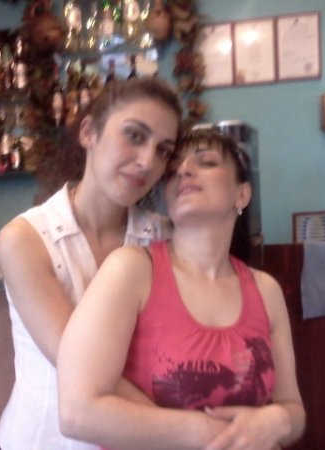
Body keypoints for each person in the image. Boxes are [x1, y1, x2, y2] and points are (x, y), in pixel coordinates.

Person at [57, 128, 306, 450]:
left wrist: (278, 420)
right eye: (174, 170)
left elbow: (292, 407)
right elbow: (77, 414)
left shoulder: (266, 290)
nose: (184, 170)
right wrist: (210, 434)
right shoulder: (131, 270)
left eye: (207, 162)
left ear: (242, 195)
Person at [0, 76, 182, 450]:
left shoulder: (165, 238)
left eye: (163, 151)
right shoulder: (25, 239)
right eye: (134, 135)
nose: (147, 161)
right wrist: (187, 435)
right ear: (88, 133)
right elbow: (80, 366)